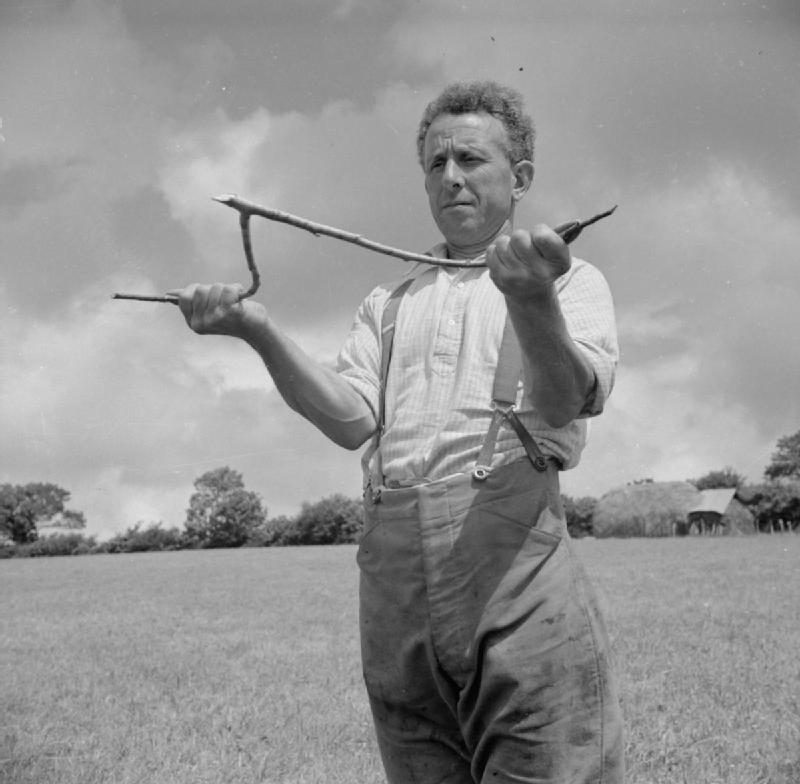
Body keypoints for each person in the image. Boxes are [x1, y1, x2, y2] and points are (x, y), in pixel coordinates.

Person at [173, 81, 624, 784]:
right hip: (393, 589)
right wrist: (254, 331)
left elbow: (564, 402)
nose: (450, 178)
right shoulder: (389, 302)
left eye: (471, 159)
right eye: (435, 164)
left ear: (522, 178)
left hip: (516, 572)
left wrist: (530, 296)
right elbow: (351, 421)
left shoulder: (569, 281)